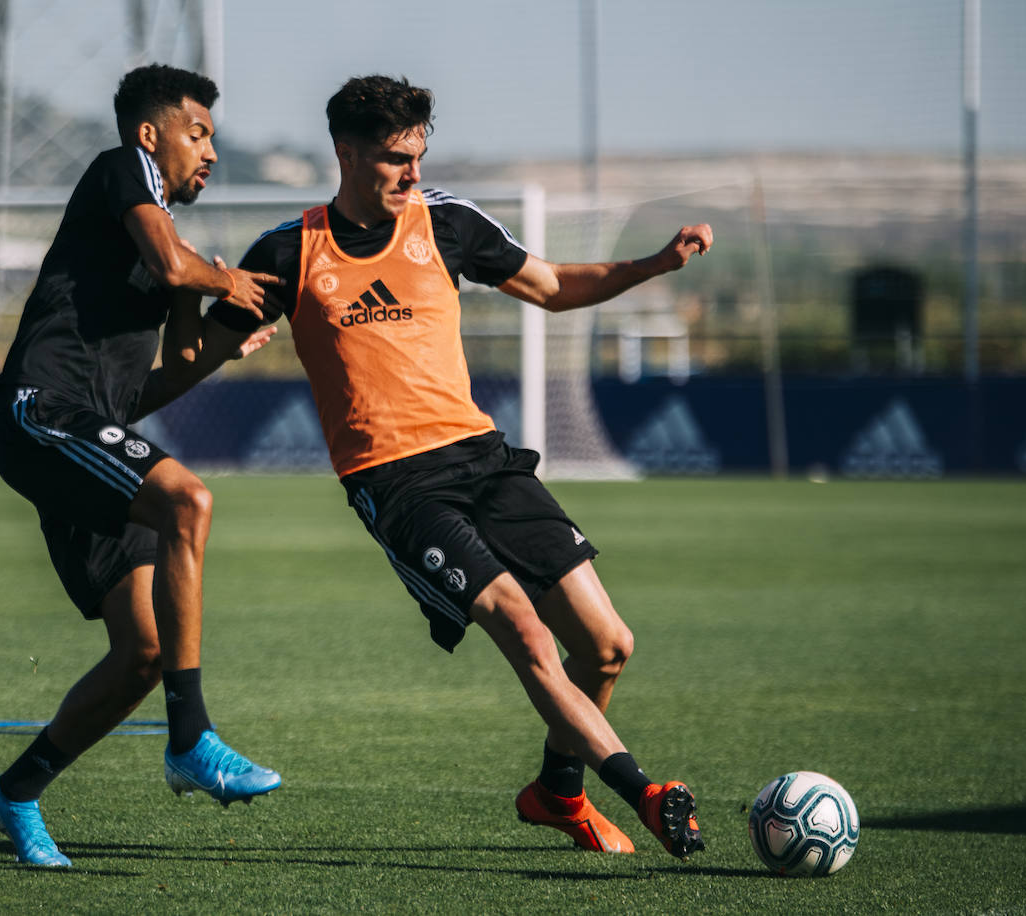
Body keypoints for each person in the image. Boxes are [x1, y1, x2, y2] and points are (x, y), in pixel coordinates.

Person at [210, 75, 714, 859]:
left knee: (607, 645)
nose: (410, 174)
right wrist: (186, 305)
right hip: (397, 484)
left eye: (417, 156)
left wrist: (651, 265)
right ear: (345, 152)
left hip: (484, 459)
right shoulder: (287, 251)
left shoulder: (445, 222)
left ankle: (557, 792)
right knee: (526, 634)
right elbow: (197, 350)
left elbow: (549, 286)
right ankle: (641, 790)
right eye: (392, 159)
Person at [0, 64, 284, 868]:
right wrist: (230, 280)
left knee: (144, 651)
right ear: (151, 135)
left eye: (213, 135)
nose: (210, 150)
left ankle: (14, 793)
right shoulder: (121, 170)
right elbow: (185, 270)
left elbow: (164, 376)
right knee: (189, 502)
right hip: (40, 414)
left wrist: (221, 338)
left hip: (92, 437)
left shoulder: (175, 248)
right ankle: (192, 739)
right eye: (198, 132)